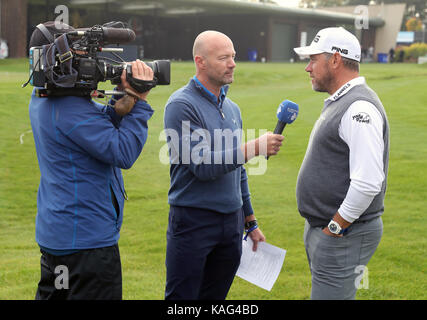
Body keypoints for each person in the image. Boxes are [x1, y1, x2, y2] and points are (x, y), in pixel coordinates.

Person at [29, 22, 155, 299]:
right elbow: (122, 152)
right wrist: (140, 102)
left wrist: (115, 109)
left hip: (59, 237)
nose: (86, 60)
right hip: (86, 244)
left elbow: (87, 134)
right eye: (77, 54)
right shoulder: (69, 108)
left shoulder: (43, 98)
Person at [163, 30, 284, 300]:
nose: (232, 64)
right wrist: (255, 147)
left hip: (232, 223)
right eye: (223, 58)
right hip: (193, 221)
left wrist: (250, 221)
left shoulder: (233, 108)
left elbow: (237, 170)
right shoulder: (181, 105)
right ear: (200, 62)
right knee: (183, 300)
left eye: (233, 56)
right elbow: (203, 165)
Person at [293, 27, 390, 300]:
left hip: (343, 232)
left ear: (335, 60)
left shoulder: (359, 108)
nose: (308, 68)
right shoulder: (343, 100)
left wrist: (335, 227)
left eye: (313, 60)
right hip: (330, 229)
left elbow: (369, 181)